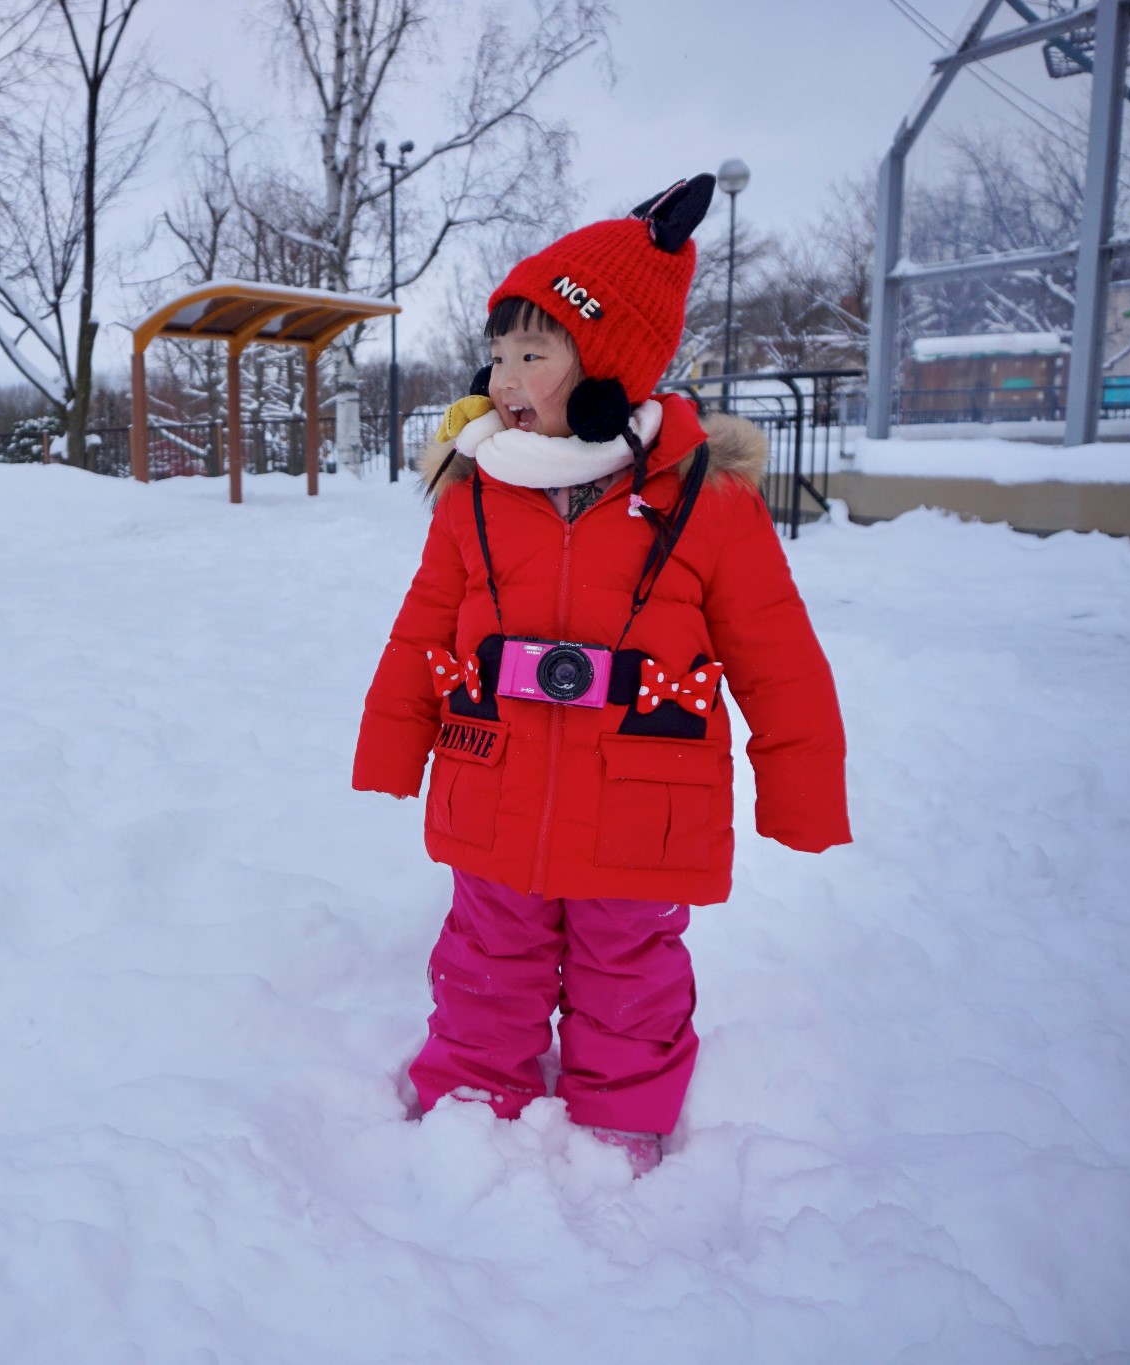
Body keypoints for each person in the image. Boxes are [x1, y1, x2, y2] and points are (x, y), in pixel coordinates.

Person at [351, 175, 851, 1176]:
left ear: (607, 367)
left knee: (628, 966)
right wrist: (390, 740)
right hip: (491, 781)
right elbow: (419, 630)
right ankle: (469, 1090)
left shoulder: (705, 502)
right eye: (497, 353)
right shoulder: (474, 496)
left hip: (641, 796)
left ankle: (621, 1112)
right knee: (486, 952)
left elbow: (776, 654)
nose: (502, 378)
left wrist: (800, 792)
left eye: (533, 353)